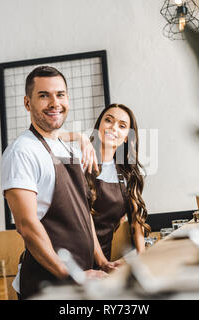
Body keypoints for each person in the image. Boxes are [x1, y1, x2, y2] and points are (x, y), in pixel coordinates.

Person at [1, 66, 107, 299]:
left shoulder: (66, 148)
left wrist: (102, 261)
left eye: (60, 94)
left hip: (80, 282)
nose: (54, 102)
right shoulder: (21, 152)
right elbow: (26, 225)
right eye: (44, 95)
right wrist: (70, 273)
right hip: (46, 287)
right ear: (28, 103)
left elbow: (82, 211)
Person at [60, 104, 151, 268]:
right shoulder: (78, 159)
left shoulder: (127, 174)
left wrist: (142, 257)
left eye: (122, 125)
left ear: (126, 137)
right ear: (99, 126)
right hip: (68, 259)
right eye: (108, 120)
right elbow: (50, 136)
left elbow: (136, 221)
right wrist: (81, 137)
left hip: (103, 261)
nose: (113, 127)